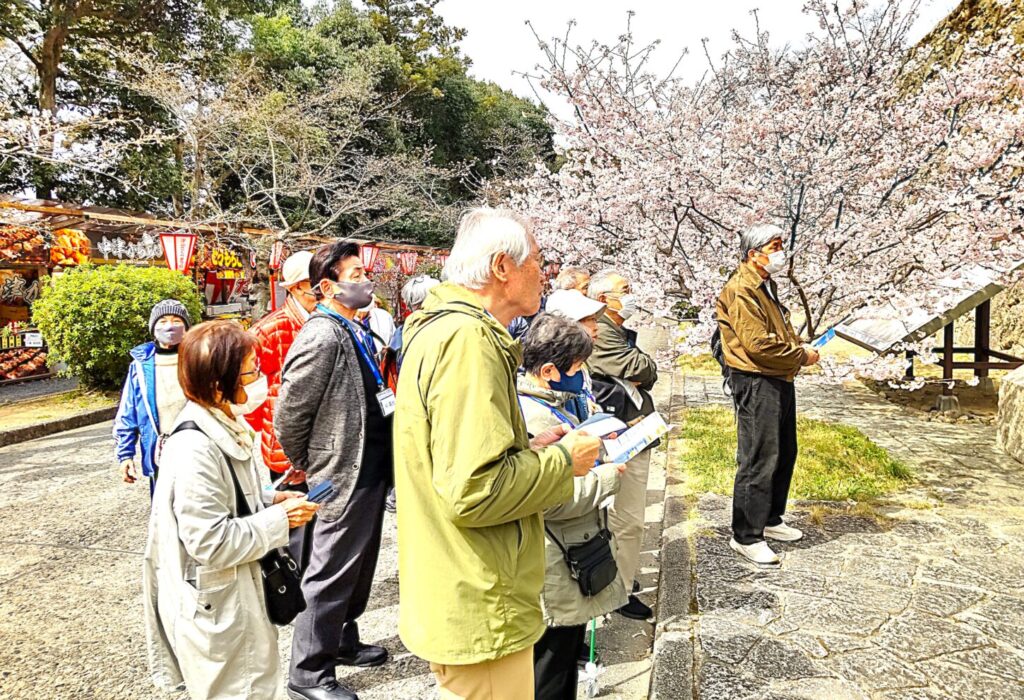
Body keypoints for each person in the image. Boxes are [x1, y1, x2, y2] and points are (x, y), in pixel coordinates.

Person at [394, 207, 602, 700]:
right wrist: (563, 462)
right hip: (482, 590)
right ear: (502, 267)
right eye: (538, 261)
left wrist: (524, 448)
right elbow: (475, 489)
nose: (544, 273)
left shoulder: (442, 329)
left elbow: (454, 456)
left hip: (463, 577)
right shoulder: (468, 341)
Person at [142, 320, 320, 700]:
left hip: (237, 598)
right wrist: (280, 519)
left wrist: (269, 500)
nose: (259, 381)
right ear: (219, 381)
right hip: (219, 609)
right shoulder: (195, 448)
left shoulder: (220, 422)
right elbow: (210, 541)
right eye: (251, 372)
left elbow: (227, 500)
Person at [276, 240, 392, 700]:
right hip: (337, 474)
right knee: (328, 570)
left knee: (357, 566)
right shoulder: (322, 335)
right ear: (327, 287)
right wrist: (309, 466)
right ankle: (308, 673)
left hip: (368, 468)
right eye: (356, 274)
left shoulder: (354, 328)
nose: (366, 281)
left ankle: (342, 640)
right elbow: (290, 414)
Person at [516, 313, 627, 700]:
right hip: (554, 557)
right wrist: (608, 476)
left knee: (562, 658)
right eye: (577, 367)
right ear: (549, 371)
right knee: (551, 665)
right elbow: (551, 499)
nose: (582, 375)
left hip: (572, 549)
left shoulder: (558, 402)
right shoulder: (534, 415)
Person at [716, 224, 820, 566]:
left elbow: (776, 333)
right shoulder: (742, 289)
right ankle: (746, 535)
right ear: (753, 254)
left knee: (784, 451)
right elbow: (758, 345)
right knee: (759, 456)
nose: (780, 252)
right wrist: (801, 355)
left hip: (778, 375)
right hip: (756, 378)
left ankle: (771, 518)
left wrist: (796, 349)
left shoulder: (764, 285)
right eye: (774, 246)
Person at [588, 269, 659, 620]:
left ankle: (620, 581)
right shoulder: (601, 331)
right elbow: (639, 367)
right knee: (626, 518)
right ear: (604, 299)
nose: (631, 295)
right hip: (619, 431)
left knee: (622, 518)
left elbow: (645, 370)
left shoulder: (614, 329)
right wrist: (645, 368)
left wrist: (646, 368)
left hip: (628, 428)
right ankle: (618, 590)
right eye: (625, 290)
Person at [246, 251, 318, 481]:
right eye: (316, 281)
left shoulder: (329, 321)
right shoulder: (268, 330)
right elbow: (249, 389)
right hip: (285, 446)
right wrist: (266, 425)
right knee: (292, 502)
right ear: (296, 288)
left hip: (324, 440)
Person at [114, 299, 192, 496]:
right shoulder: (140, 367)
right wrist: (125, 455)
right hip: (159, 452)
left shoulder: (198, 359)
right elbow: (128, 412)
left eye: (176, 320)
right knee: (163, 509)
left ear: (186, 327)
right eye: (163, 321)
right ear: (153, 328)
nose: (169, 326)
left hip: (196, 449)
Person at [545, 289, 606, 422]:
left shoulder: (580, 364)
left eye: (595, 320)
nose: (596, 327)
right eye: (589, 320)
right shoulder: (554, 373)